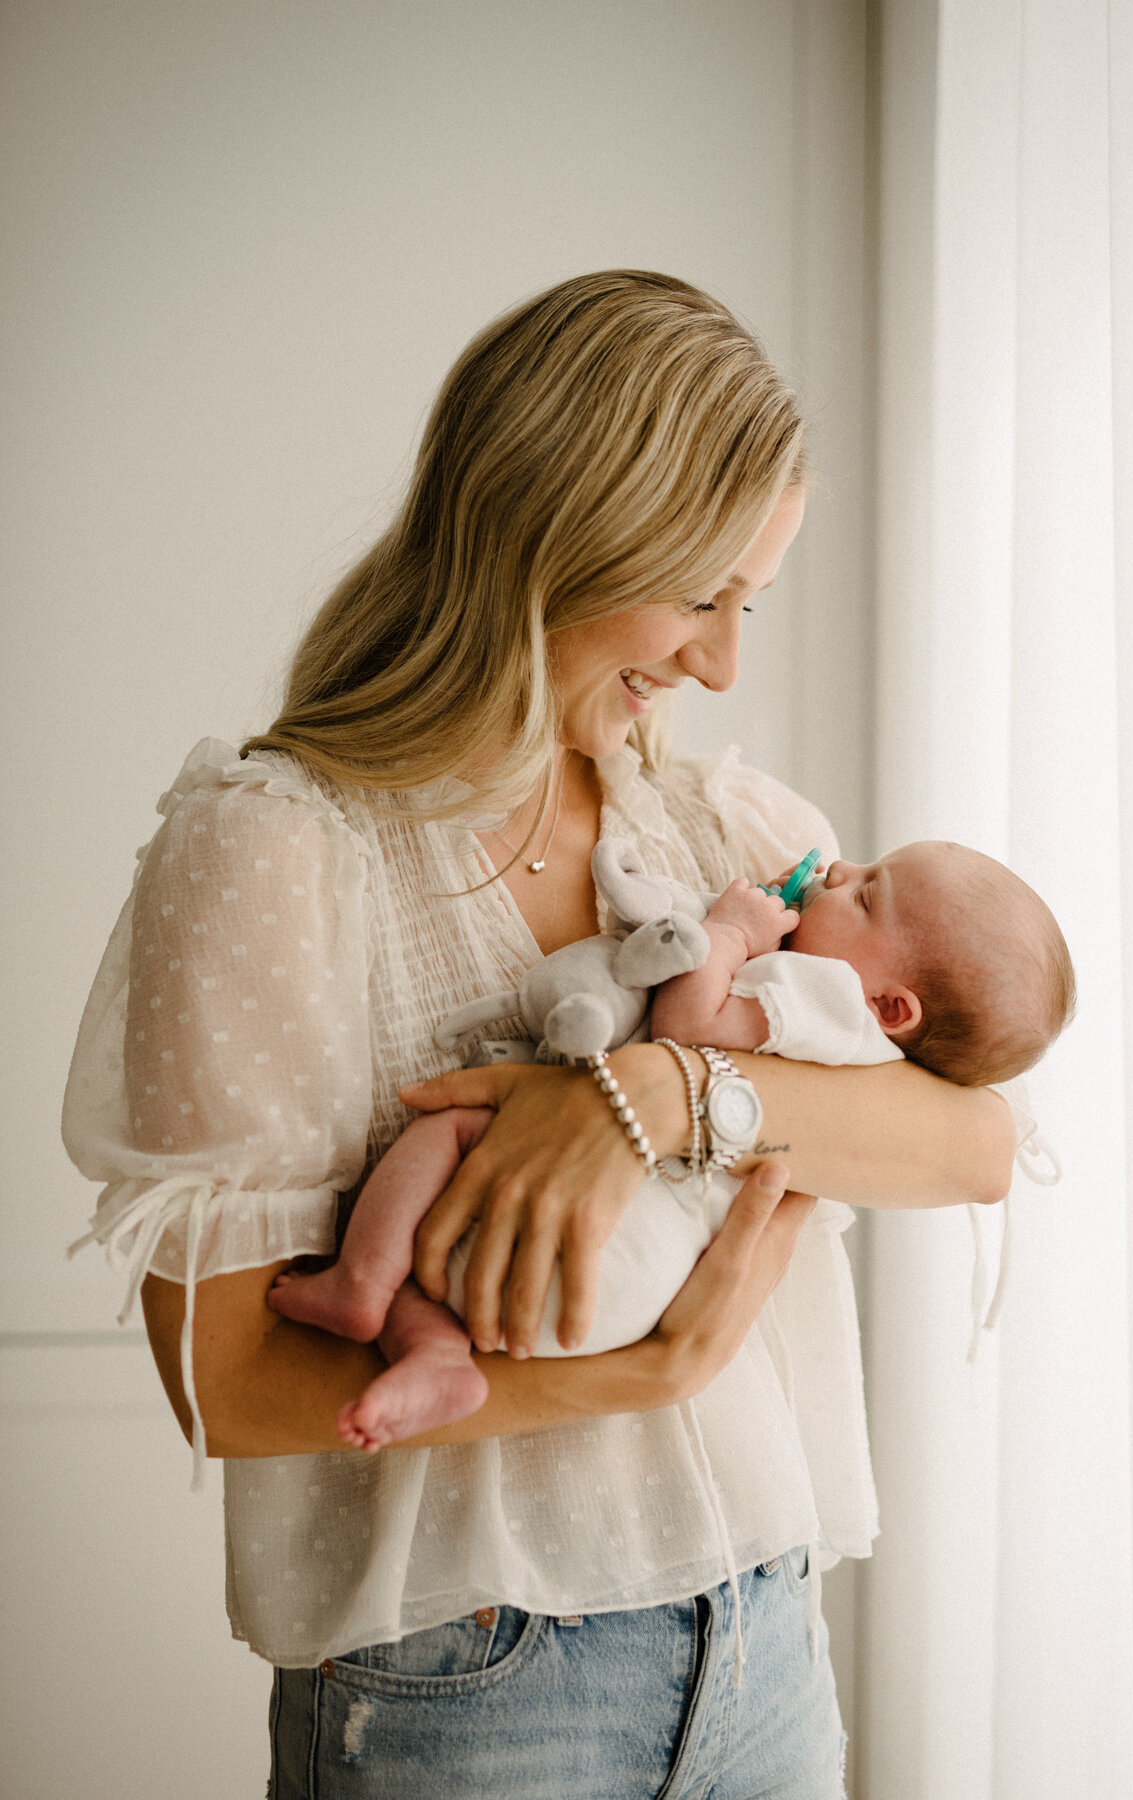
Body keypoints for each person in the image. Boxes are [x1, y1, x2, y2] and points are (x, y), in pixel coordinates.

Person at [63, 271, 1023, 1800]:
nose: (720, 664)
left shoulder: (737, 834)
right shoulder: (275, 850)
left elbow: (977, 1144)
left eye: (749, 605)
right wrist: (639, 1375)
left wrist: (648, 1089)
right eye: (699, 594)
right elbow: (230, 1382)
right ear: (551, 533)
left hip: (768, 1646)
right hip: (471, 1692)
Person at [267, 841, 1073, 1455]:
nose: (837, 869)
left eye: (867, 892)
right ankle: (436, 1356)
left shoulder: (824, 996)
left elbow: (689, 1028)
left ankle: (361, 1283)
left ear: (893, 1006)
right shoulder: (881, 1057)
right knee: (452, 1285)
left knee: (450, 1128)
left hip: (595, 1244)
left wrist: (726, 933)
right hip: (632, 1297)